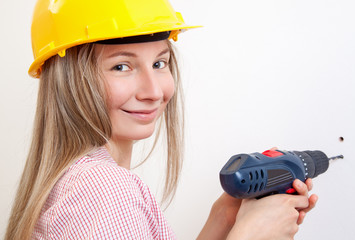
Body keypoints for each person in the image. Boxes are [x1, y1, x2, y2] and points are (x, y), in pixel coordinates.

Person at [5, 0, 318, 239]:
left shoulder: (78, 181)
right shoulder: (103, 190)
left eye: (159, 62)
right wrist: (250, 235)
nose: (154, 91)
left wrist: (222, 221)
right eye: (121, 67)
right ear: (69, 80)